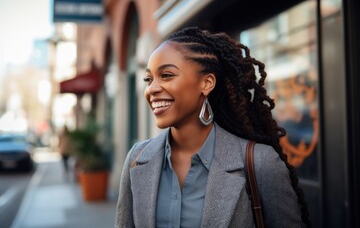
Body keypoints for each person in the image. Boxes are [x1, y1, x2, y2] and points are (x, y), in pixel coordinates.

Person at [115, 27, 311, 227]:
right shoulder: (137, 159)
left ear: (207, 83)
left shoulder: (260, 162)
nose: (152, 89)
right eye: (149, 79)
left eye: (166, 75)